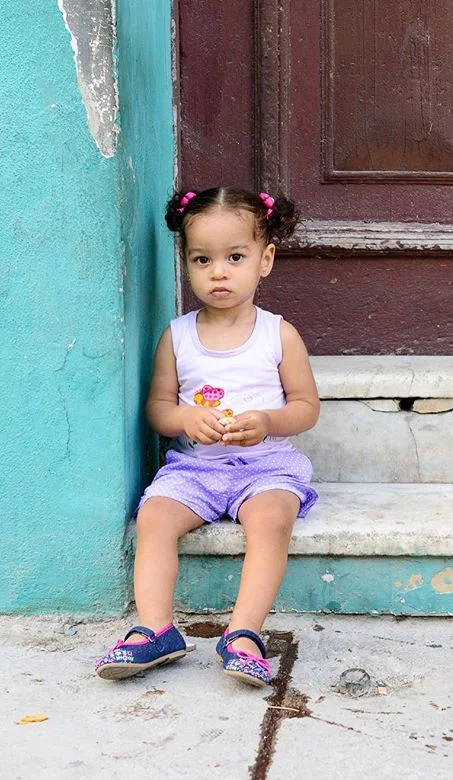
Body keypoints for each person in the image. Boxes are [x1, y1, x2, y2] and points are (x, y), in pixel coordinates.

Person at [95, 188, 320, 687]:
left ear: (265, 261)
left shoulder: (279, 334)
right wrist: (184, 419)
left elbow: (306, 408)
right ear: (187, 264)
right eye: (202, 259)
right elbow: (159, 407)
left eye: (234, 257)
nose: (218, 271)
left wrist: (267, 421)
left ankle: (243, 634)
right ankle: (155, 628)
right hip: (196, 468)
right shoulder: (177, 336)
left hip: (265, 467)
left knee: (272, 520)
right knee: (153, 516)